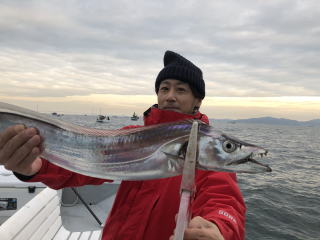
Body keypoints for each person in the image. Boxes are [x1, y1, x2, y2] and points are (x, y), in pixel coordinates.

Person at [0, 51, 246, 240]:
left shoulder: (205, 150)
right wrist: (36, 166)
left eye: (181, 89)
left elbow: (224, 199)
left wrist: (219, 226)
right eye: (164, 88)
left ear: (197, 101)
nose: (170, 95)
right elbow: (86, 163)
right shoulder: (133, 135)